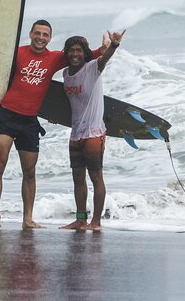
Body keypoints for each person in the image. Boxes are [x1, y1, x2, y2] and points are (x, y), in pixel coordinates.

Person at [0, 20, 104, 229]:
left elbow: (83, 55)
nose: (41, 38)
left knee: (30, 172)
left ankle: (28, 219)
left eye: (45, 35)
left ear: (50, 39)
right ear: (31, 34)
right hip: (6, 115)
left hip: (29, 121)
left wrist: (108, 48)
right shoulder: (16, 53)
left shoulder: (54, 58)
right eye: (38, 33)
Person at [59, 30, 125, 231]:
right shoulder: (65, 74)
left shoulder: (92, 68)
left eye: (79, 50)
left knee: (96, 178)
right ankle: (81, 220)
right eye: (71, 50)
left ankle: (96, 222)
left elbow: (104, 59)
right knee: (78, 178)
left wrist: (113, 45)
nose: (75, 54)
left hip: (94, 134)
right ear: (67, 53)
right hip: (76, 134)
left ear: (85, 52)